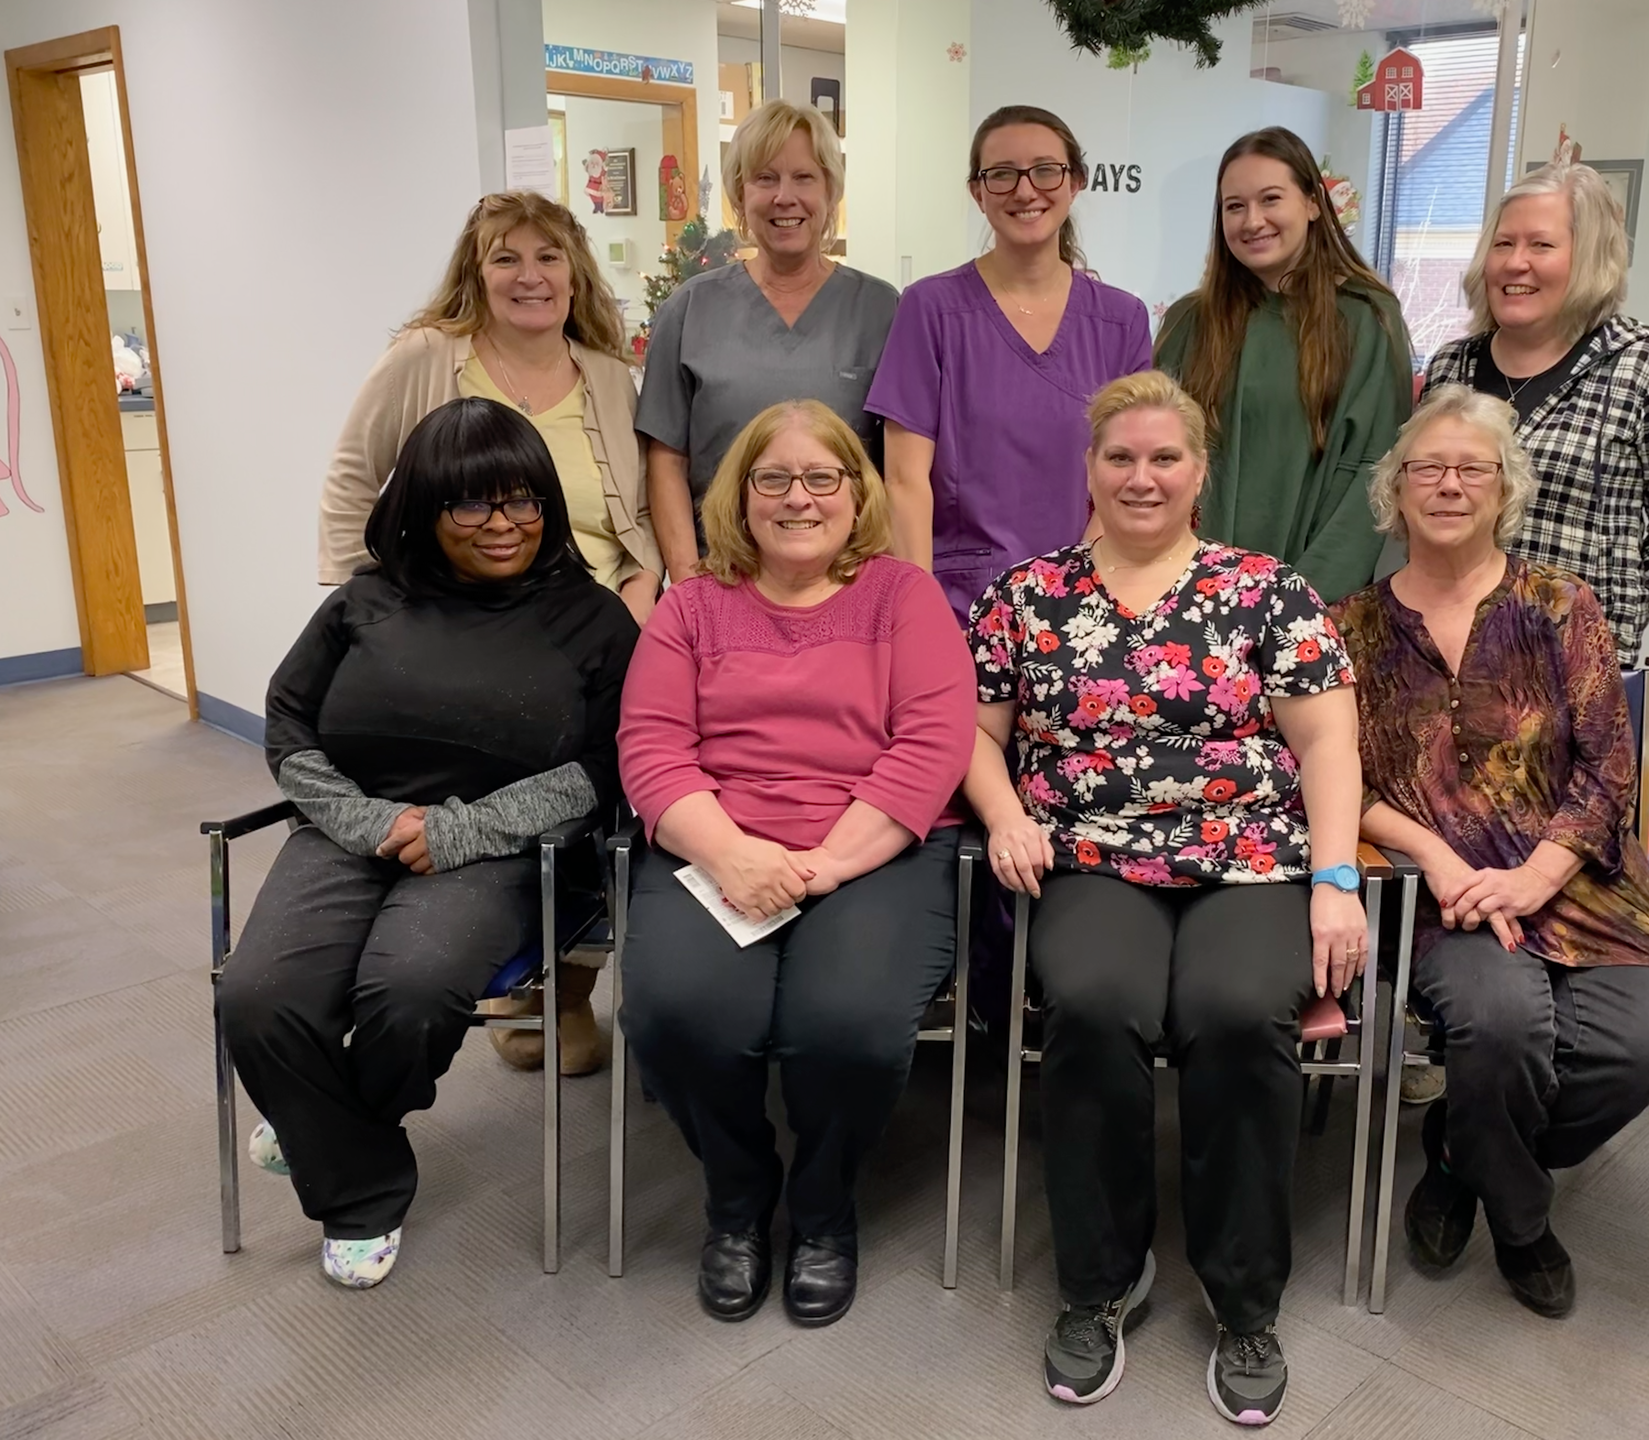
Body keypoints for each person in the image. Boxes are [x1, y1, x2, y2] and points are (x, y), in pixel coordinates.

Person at [965, 372, 1368, 1427]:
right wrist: (1005, 811)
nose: (1141, 477)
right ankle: (1100, 1282)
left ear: (1199, 473)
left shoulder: (1266, 592)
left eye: (1164, 458)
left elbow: (1327, 740)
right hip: (1090, 854)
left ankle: (1245, 1298)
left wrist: (1334, 883)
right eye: (1120, 458)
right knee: (1096, 1005)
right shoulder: (1026, 593)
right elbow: (974, 730)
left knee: (1235, 1013)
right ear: (1089, 467)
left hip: (1249, 856)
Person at [224, 398, 637, 1289]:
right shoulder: (365, 601)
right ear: (422, 505)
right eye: (473, 506)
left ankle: (349, 1181)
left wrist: (463, 829)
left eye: (523, 501)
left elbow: (609, 766)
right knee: (258, 996)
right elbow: (290, 723)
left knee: (409, 989)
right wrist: (370, 822)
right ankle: (339, 1142)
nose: (504, 525)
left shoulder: (592, 619)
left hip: (500, 848)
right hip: (349, 832)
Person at [1331, 385, 1649, 1321]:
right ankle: (1525, 1225)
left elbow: (1614, 765)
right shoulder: (1350, 628)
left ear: (1504, 490)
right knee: (1499, 1030)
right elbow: (1339, 782)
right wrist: (1433, 858)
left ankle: (1460, 1152)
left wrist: (1540, 872)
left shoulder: (1562, 605)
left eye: (1472, 469)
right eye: (1428, 468)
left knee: (1646, 1052)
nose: (1449, 485)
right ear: (1395, 491)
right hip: (1441, 890)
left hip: (1581, 878)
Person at [618, 400, 973, 1329]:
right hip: (715, 845)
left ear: (857, 496)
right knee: (679, 1015)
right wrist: (734, 854)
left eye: (823, 478)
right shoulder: (690, 605)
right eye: (772, 478)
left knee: (847, 1026)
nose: (798, 498)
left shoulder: (906, 597)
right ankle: (737, 1203)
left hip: (875, 851)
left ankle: (822, 1212)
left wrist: (819, 866)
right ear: (740, 496)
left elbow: (932, 746)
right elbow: (653, 748)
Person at [316, 190, 662, 1075]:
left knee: (602, 790)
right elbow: (355, 477)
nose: (529, 276)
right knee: (488, 783)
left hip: (593, 623)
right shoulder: (429, 358)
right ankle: (491, 967)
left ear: (575, 270)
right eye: (506, 257)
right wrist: (369, 610)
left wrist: (645, 591)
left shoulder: (610, 373)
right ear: (477, 270)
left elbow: (637, 514)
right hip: (458, 617)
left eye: (548, 257)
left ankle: (566, 988)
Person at [1424, 162, 1649, 663]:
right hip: (1444, 650)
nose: (1516, 263)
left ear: (1589, 259)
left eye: (1541, 245)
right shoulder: (1452, 366)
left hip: (1569, 664)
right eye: (1503, 244)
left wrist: (1608, 608)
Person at [868, 104, 1152, 624]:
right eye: (1001, 175)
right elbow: (905, 482)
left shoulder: (1121, 321)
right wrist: (922, 621)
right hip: (960, 605)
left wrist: (1077, 593)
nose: (1025, 191)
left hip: (1088, 604)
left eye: (1046, 170)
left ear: (1076, 183)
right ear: (978, 193)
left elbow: (1130, 476)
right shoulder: (931, 310)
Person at [638, 99, 898, 581]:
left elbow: (903, 467)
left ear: (831, 193)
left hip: (846, 580)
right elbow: (666, 459)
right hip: (722, 576)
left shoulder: (883, 310)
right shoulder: (689, 309)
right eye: (765, 178)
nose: (785, 197)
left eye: (804, 178)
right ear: (740, 195)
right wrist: (688, 577)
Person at [1154, 126, 1412, 607]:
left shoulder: (1365, 317)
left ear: (1313, 203)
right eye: (1235, 206)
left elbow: (1371, 471)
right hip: (1186, 601)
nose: (1253, 221)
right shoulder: (1189, 322)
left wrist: (1297, 603)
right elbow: (1158, 459)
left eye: (1271, 199)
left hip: (1308, 603)